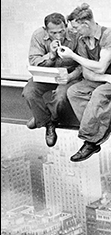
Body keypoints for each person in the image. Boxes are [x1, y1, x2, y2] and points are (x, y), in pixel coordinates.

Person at [59, 3, 111, 162]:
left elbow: (100, 66)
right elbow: (87, 71)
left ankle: (90, 141)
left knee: (99, 94)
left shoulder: (109, 35)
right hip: (106, 78)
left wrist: (73, 56)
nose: (75, 32)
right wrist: (106, 78)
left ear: (86, 24)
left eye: (76, 28)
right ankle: (106, 126)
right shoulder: (83, 40)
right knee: (74, 91)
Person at [23, 12, 82, 147]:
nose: (59, 36)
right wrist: (51, 55)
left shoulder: (76, 35)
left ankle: (41, 117)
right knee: (29, 92)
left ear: (66, 26)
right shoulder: (38, 35)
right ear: (46, 30)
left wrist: (70, 76)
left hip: (68, 74)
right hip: (45, 74)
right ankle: (47, 123)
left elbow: (82, 63)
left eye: (61, 31)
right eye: (53, 33)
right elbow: (34, 61)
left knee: (61, 97)